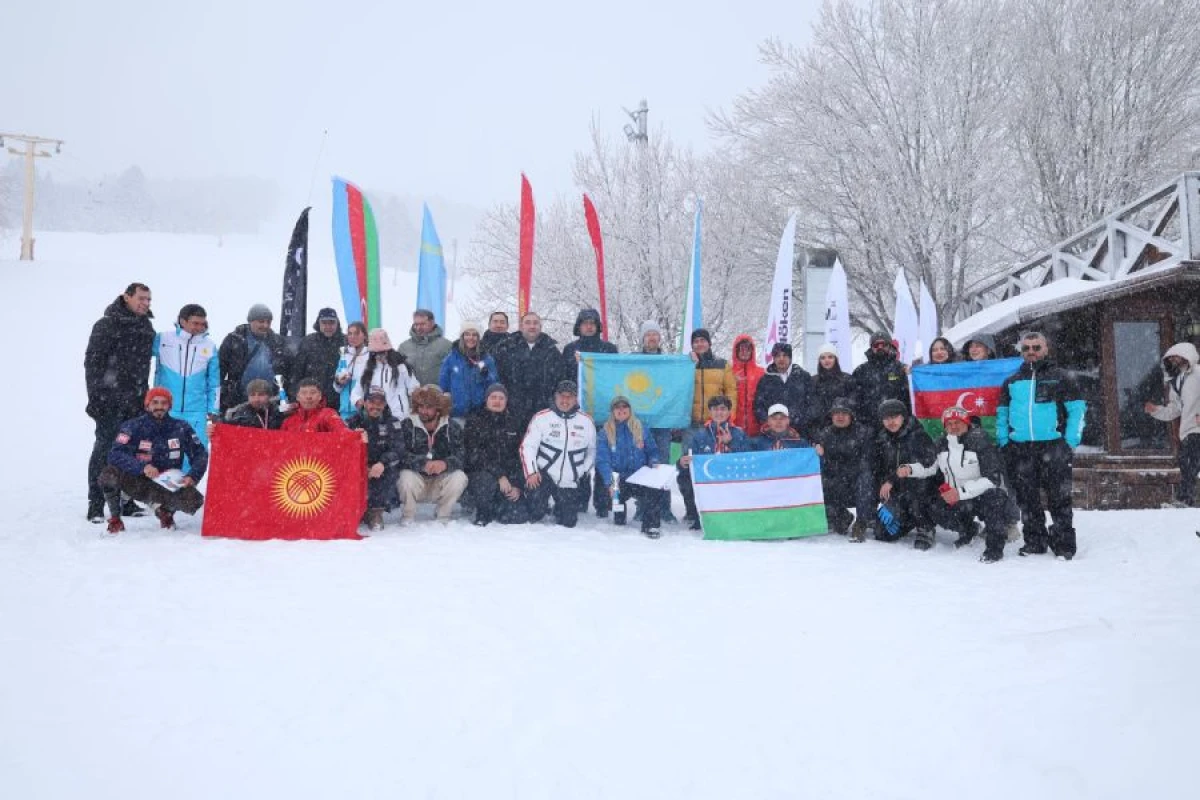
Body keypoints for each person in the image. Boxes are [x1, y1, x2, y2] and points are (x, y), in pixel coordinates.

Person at [996, 331, 1086, 559]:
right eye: (1026, 348)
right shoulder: (1012, 381)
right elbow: (1002, 415)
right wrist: (1005, 442)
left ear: (1046, 349)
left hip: (1054, 446)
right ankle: (1035, 542)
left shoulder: (1062, 377)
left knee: (1059, 497)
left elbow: (1077, 412)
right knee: (1027, 499)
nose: (1031, 352)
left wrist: (1069, 443)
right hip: (1021, 448)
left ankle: (1064, 544)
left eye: (1036, 347)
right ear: (1021, 351)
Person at [902, 406, 1012, 562]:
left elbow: (992, 479)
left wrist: (960, 492)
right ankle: (969, 530)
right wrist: (910, 469)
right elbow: (930, 467)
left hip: (983, 494)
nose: (953, 427)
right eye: (949, 423)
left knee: (994, 501)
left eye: (957, 422)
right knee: (934, 507)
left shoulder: (980, 441)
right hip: (957, 496)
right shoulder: (941, 444)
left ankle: (994, 548)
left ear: (966, 422)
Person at [85, 282, 156, 522]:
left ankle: (126, 501)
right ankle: (96, 504)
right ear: (126, 297)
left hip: (135, 402)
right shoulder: (106, 325)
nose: (145, 303)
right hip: (108, 400)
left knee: (133, 453)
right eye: (141, 298)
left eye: (148, 300)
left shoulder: (146, 328)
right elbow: (92, 365)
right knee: (105, 450)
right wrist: (96, 398)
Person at [98, 387, 207, 533]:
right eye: (155, 402)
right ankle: (116, 519)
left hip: (166, 483)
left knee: (194, 501)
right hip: (137, 481)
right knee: (109, 474)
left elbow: (200, 454)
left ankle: (165, 512)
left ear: (170, 405)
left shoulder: (181, 427)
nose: (159, 406)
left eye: (164, 402)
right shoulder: (132, 426)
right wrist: (142, 467)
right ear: (147, 405)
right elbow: (115, 454)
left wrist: (193, 476)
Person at [521, 380, 597, 528]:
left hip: (570, 478)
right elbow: (528, 446)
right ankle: (540, 503)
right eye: (562, 396)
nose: (565, 400)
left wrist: (582, 470)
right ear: (555, 397)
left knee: (568, 522)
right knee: (535, 513)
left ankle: (558, 506)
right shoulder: (542, 417)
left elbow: (592, 451)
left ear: (576, 399)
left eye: (570, 396)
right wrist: (531, 472)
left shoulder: (586, 421)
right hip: (543, 475)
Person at [596, 396, 668, 538]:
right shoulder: (605, 432)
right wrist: (610, 482)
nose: (621, 410)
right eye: (617, 407)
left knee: (654, 490)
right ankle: (618, 517)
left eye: (624, 407)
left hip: (639, 476)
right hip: (617, 478)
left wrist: (654, 461)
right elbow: (602, 460)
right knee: (617, 509)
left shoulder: (641, 428)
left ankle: (651, 525)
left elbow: (652, 450)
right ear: (612, 411)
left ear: (630, 410)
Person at [677, 395, 751, 529]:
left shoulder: (739, 433)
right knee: (684, 477)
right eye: (715, 409)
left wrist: (731, 443)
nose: (719, 413)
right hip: (708, 477)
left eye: (723, 409)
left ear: (729, 412)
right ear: (710, 412)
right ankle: (696, 514)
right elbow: (689, 457)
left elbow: (747, 459)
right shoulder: (700, 435)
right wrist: (681, 462)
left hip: (731, 476)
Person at [152, 303, 220, 449]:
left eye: (202, 324)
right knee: (164, 455)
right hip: (166, 409)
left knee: (196, 455)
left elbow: (214, 383)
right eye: (195, 323)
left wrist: (213, 410)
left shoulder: (209, 346)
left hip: (196, 412)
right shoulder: (163, 339)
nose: (199, 328)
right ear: (182, 321)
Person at [397, 385, 468, 523]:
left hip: (441, 480)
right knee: (404, 477)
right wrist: (421, 463)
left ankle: (443, 515)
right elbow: (400, 453)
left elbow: (462, 455)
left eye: (429, 407)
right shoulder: (407, 425)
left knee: (460, 477)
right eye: (420, 406)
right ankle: (408, 516)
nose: (424, 411)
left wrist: (445, 464)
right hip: (417, 480)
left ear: (439, 409)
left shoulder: (452, 427)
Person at [873, 398, 938, 549]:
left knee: (916, 491)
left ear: (903, 417)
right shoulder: (882, 439)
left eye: (894, 417)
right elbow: (879, 468)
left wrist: (900, 474)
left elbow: (930, 464)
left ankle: (925, 526)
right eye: (886, 418)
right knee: (882, 533)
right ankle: (907, 521)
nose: (891, 422)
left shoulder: (918, 436)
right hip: (898, 492)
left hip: (922, 490)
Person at [812, 397, 876, 541]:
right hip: (836, 483)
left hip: (857, 483)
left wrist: (846, 474)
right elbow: (821, 465)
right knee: (817, 483)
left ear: (851, 415)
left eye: (844, 413)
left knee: (866, 478)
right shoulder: (824, 434)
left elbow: (867, 461)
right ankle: (841, 517)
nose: (840, 417)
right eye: (836, 413)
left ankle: (861, 522)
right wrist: (818, 452)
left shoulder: (864, 433)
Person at [463, 384, 528, 526]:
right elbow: (475, 454)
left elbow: (520, 456)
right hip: (481, 473)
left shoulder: (514, 422)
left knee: (517, 516)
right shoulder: (475, 420)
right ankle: (482, 512)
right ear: (486, 400)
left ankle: (499, 506)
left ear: (506, 401)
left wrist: (517, 484)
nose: (497, 401)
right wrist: (499, 475)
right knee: (485, 483)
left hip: (508, 475)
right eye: (493, 397)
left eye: (501, 398)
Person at [1145, 342, 1200, 507]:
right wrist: (1155, 410)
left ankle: (1184, 499)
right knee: (1187, 463)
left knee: (1189, 463)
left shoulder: (1198, 373)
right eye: (1171, 359)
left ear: (1186, 356)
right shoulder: (1175, 382)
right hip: (1188, 430)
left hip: (1195, 429)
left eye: (1176, 357)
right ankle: (1185, 499)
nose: (1174, 361)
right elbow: (1175, 409)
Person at [636, 320, 677, 523]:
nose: (652, 338)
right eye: (648, 335)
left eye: (655, 334)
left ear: (659, 338)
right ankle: (641, 507)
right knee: (641, 464)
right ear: (643, 339)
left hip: (662, 422)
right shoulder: (632, 360)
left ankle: (664, 508)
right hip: (639, 423)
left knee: (662, 465)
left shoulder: (669, 361)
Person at [348, 388, 406, 531]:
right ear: (364, 402)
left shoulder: (393, 422)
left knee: (389, 472)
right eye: (371, 402)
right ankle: (355, 511)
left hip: (381, 465)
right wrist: (362, 465)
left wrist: (382, 463)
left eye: (380, 402)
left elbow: (398, 449)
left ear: (385, 404)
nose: (375, 406)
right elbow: (344, 448)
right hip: (359, 464)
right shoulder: (353, 421)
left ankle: (376, 512)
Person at [219, 303, 291, 413]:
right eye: (261, 321)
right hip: (238, 399)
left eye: (268, 322)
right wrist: (222, 396)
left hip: (270, 401)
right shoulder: (234, 340)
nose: (265, 325)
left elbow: (288, 370)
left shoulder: (278, 342)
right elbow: (219, 370)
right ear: (250, 321)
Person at [493, 311, 561, 427]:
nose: (532, 326)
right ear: (521, 326)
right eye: (528, 323)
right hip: (512, 411)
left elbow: (560, 379)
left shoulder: (551, 350)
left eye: (535, 323)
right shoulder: (507, 347)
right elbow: (497, 377)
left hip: (543, 411)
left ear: (540, 326)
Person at [351, 329, 420, 420]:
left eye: (382, 352)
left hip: (399, 416)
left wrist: (418, 399)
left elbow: (414, 388)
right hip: (374, 417)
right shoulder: (367, 370)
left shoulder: (401, 367)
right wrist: (357, 401)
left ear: (388, 350)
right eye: (376, 353)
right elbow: (356, 391)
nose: (380, 356)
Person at [687, 328, 737, 448]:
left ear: (709, 343)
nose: (699, 344)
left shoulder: (722, 364)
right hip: (691, 423)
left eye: (703, 340)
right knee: (690, 459)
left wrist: (731, 415)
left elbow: (731, 392)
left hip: (715, 422)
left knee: (715, 456)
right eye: (696, 341)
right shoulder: (686, 365)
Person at [439, 323, 499, 423]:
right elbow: (443, 385)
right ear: (462, 336)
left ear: (478, 338)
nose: (471, 338)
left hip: (480, 414)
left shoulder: (487, 359)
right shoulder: (451, 358)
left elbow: (494, 384)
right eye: (467, 334)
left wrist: (486, 375)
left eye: (474, 335)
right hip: (457, 413)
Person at [289, 307, 346, 410]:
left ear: (337, 324)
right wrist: (294, 397)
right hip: (312, 398)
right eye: (324, 323)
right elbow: (297, 371)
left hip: (340, 399)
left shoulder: (345, 342)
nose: (328, 326)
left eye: (331, 322)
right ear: (318, 324)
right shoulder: (308, 342)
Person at [754, 343, 813, 437]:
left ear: (790, 358)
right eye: (778, 355)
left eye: (785, 355)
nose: (781, 359)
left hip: (800, 433)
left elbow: (811, 404)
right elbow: (759, 406)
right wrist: (771, 424)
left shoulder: (803, 377)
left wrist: (798, 423)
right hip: (772, 434)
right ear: (773, 358)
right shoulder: (765, 379)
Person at [853, 332, 910, 422]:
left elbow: (909, 398)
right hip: (868, 425)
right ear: (871, 347)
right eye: (876, 345)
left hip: (895, 424)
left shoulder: (902, 369)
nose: (880, 347)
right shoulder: (860, 371)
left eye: (884, 344)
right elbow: (854, 400)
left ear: (890, 346)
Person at [397, 309, 453, 387]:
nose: (419, 328)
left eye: (423, 324)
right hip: (411, 396)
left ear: (432, 323)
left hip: (438, 396)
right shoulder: (404, 347)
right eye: (416, 324)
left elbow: (454, 372)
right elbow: (397, 374)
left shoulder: (446, 345)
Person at [560, 307, 618, 381]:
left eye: (592, 323)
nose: (589, 327)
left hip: (602, 391)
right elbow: (564, 378)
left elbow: (616, 375)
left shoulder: (609, 349)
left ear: (597, 326)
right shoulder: (569, 349)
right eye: (585, 323)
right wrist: (576, 365)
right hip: (577, 391)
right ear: (579, 327)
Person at [809, 343, 856, 433]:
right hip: (821, 428)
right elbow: (812, 406)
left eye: (830, 357)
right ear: (819, 361)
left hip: (844, 427)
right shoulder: (813, 381)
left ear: (836, 359)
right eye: (823, 358)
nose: (826, 360)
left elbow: (853, 403)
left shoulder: (848, 379)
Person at [280, 378, 348, 433]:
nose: (308, 396)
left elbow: (342, 431)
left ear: (320, 396)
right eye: (304, 393)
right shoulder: (289, 420)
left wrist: (355, 435)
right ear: (297, 397)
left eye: (313, 392)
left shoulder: (328, 414)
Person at [333, 321, 370, 420]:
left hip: (362, 410)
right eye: (350, 333)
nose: (353, 337)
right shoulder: (344, 355)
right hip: (345, 410)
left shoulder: (370, 355)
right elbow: (336, 388)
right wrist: (339, 382)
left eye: (357, 333)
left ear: (365, 336)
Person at [731, 335, 764, 437]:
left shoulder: (761, 373)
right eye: (741, 349)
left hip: (757, 430)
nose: (744, 352)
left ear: (752, 351)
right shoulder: (729, 372)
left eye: (748, 349)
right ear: (736, 351)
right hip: (734, 429)